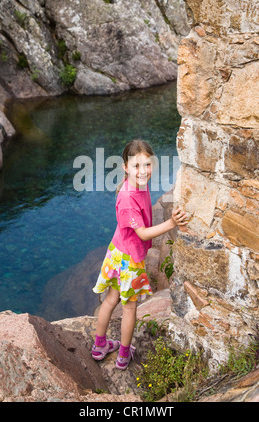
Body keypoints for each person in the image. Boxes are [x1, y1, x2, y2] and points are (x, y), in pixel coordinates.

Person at [92, 139, 188, 370]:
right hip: (128, 260)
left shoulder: (137, 185)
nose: (143, 171)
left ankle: (99, 346)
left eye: (147, 165)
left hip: (117, 251)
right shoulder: (127, 199)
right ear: (125, 167)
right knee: (129, 308)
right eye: (136, 166)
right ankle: (123, 355)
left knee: (110, 300)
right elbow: (143, 233)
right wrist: (171, 222)